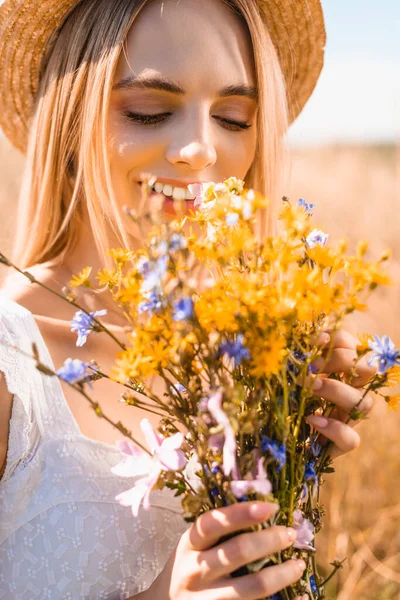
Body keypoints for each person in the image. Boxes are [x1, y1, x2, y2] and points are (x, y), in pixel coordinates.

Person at [0, 0, 375, 598]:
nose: (199, 149)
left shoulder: (249, 349)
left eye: (232, 116)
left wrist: (298, 454)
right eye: (150, 110)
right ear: (70, 118)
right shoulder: (12, 356)